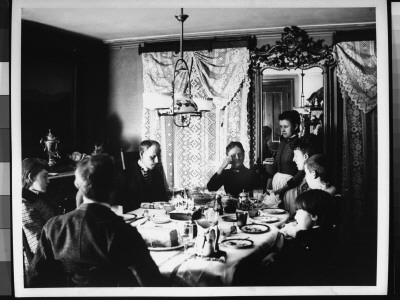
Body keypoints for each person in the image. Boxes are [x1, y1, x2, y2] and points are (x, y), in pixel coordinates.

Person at [27, 155, 165, 287]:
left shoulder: (53, 227)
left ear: (77, 184)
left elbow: (35, 278)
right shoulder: (124, 231)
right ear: (113, 186)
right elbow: (153, 283)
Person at [263, 189, 340, 285]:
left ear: (314, 216)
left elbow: (295, 264)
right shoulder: (327, 232)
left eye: (299, 211)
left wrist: (277, 258)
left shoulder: (306, 237)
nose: (295, 217)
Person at [22, 158, 57, 265]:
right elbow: (38, 247)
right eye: (44, 176)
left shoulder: (36, 198)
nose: (48, 181)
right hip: (43, 265)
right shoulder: (25, 205)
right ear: (31, 177)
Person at [117, 140, 168, 212]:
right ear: (141, 154)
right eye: (152, 157)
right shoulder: (124, 176)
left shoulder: (158, 175)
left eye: (159, 156)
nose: (157, 161)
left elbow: (163, 199)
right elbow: (122, 205)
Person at [266, 110, 302, 215]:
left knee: (288, 216)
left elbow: (301, 173)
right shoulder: (282, 142)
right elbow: (276, 164)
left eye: (285, 127)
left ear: (295, 126)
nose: (282, 130)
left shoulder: (300, 144)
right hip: (277, 186)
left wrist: (283, 189)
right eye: (281, 127)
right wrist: (269, 185)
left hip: (290, 188)